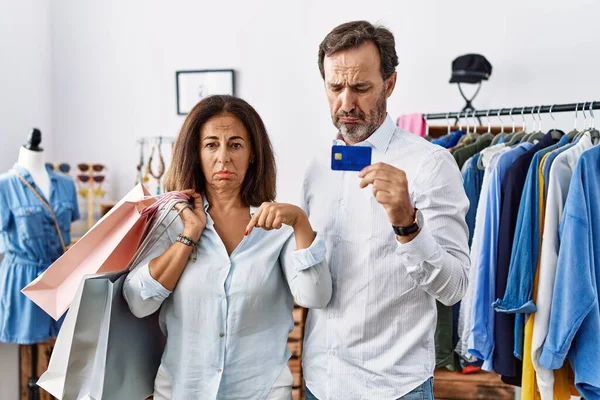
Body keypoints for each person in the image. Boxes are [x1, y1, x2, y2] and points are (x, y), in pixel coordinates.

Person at [301, 21, 470, 400]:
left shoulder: (431, 165)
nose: (346, 103)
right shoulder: (313, 165)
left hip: (393, 389)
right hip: (319, 383)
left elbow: (454, 288)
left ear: (389, 84)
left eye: (361, 87)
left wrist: (407, 224)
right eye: (335, 87)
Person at [123, 95, 332, 400]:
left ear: (253, 155)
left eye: (235, 145)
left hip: (262, 392)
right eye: (211, 145)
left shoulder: (279, 228)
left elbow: (315, 296)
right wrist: (188, 237)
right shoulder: (171, 220)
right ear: (197, 153)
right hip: (182, 391)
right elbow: (138, 301)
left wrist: (300, 221)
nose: (223, 157)